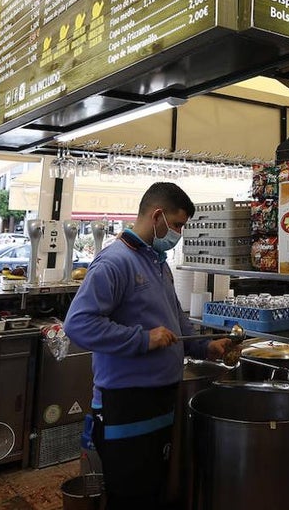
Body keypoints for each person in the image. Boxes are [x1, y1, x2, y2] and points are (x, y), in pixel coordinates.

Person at [63, 182, 233, 510]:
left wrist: (205, 346)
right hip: (126, 402)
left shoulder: (158, 262)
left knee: (152, 490)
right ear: (157, 216)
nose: (179, 233)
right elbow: (79, 324)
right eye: (178, 225)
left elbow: (174, 321)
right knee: (130, 495)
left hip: (159, 399)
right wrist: (143, 338)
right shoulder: (114, 262)